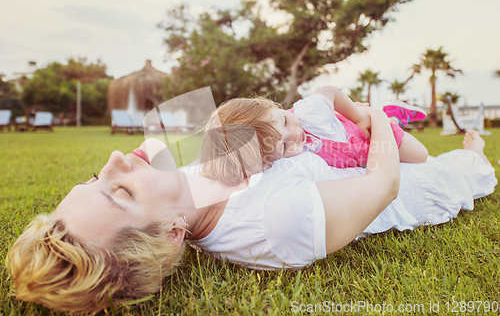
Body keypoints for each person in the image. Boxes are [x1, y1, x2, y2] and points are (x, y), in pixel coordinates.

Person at [6, 104, 496, 314]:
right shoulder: (272, 223)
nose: (113, 161)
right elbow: (385, 183)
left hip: (349, 151)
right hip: (420, 185)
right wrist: (374, 116)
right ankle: (472, 153)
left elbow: (262, 140)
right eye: (121, 192)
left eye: (95, 180)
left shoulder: (194, 179)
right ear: (173, 233)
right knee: (467, 167)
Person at [199, 87, 428, 186]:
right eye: (285, 145)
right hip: (357, 153)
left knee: (420, 156)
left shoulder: (307, 113)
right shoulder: (277, 159)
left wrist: (358, 117)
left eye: (286, 121)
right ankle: (392, 117)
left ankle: (391, 116)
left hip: (364, 132)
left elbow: (331, 91)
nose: (295, 134)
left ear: (272, 106)